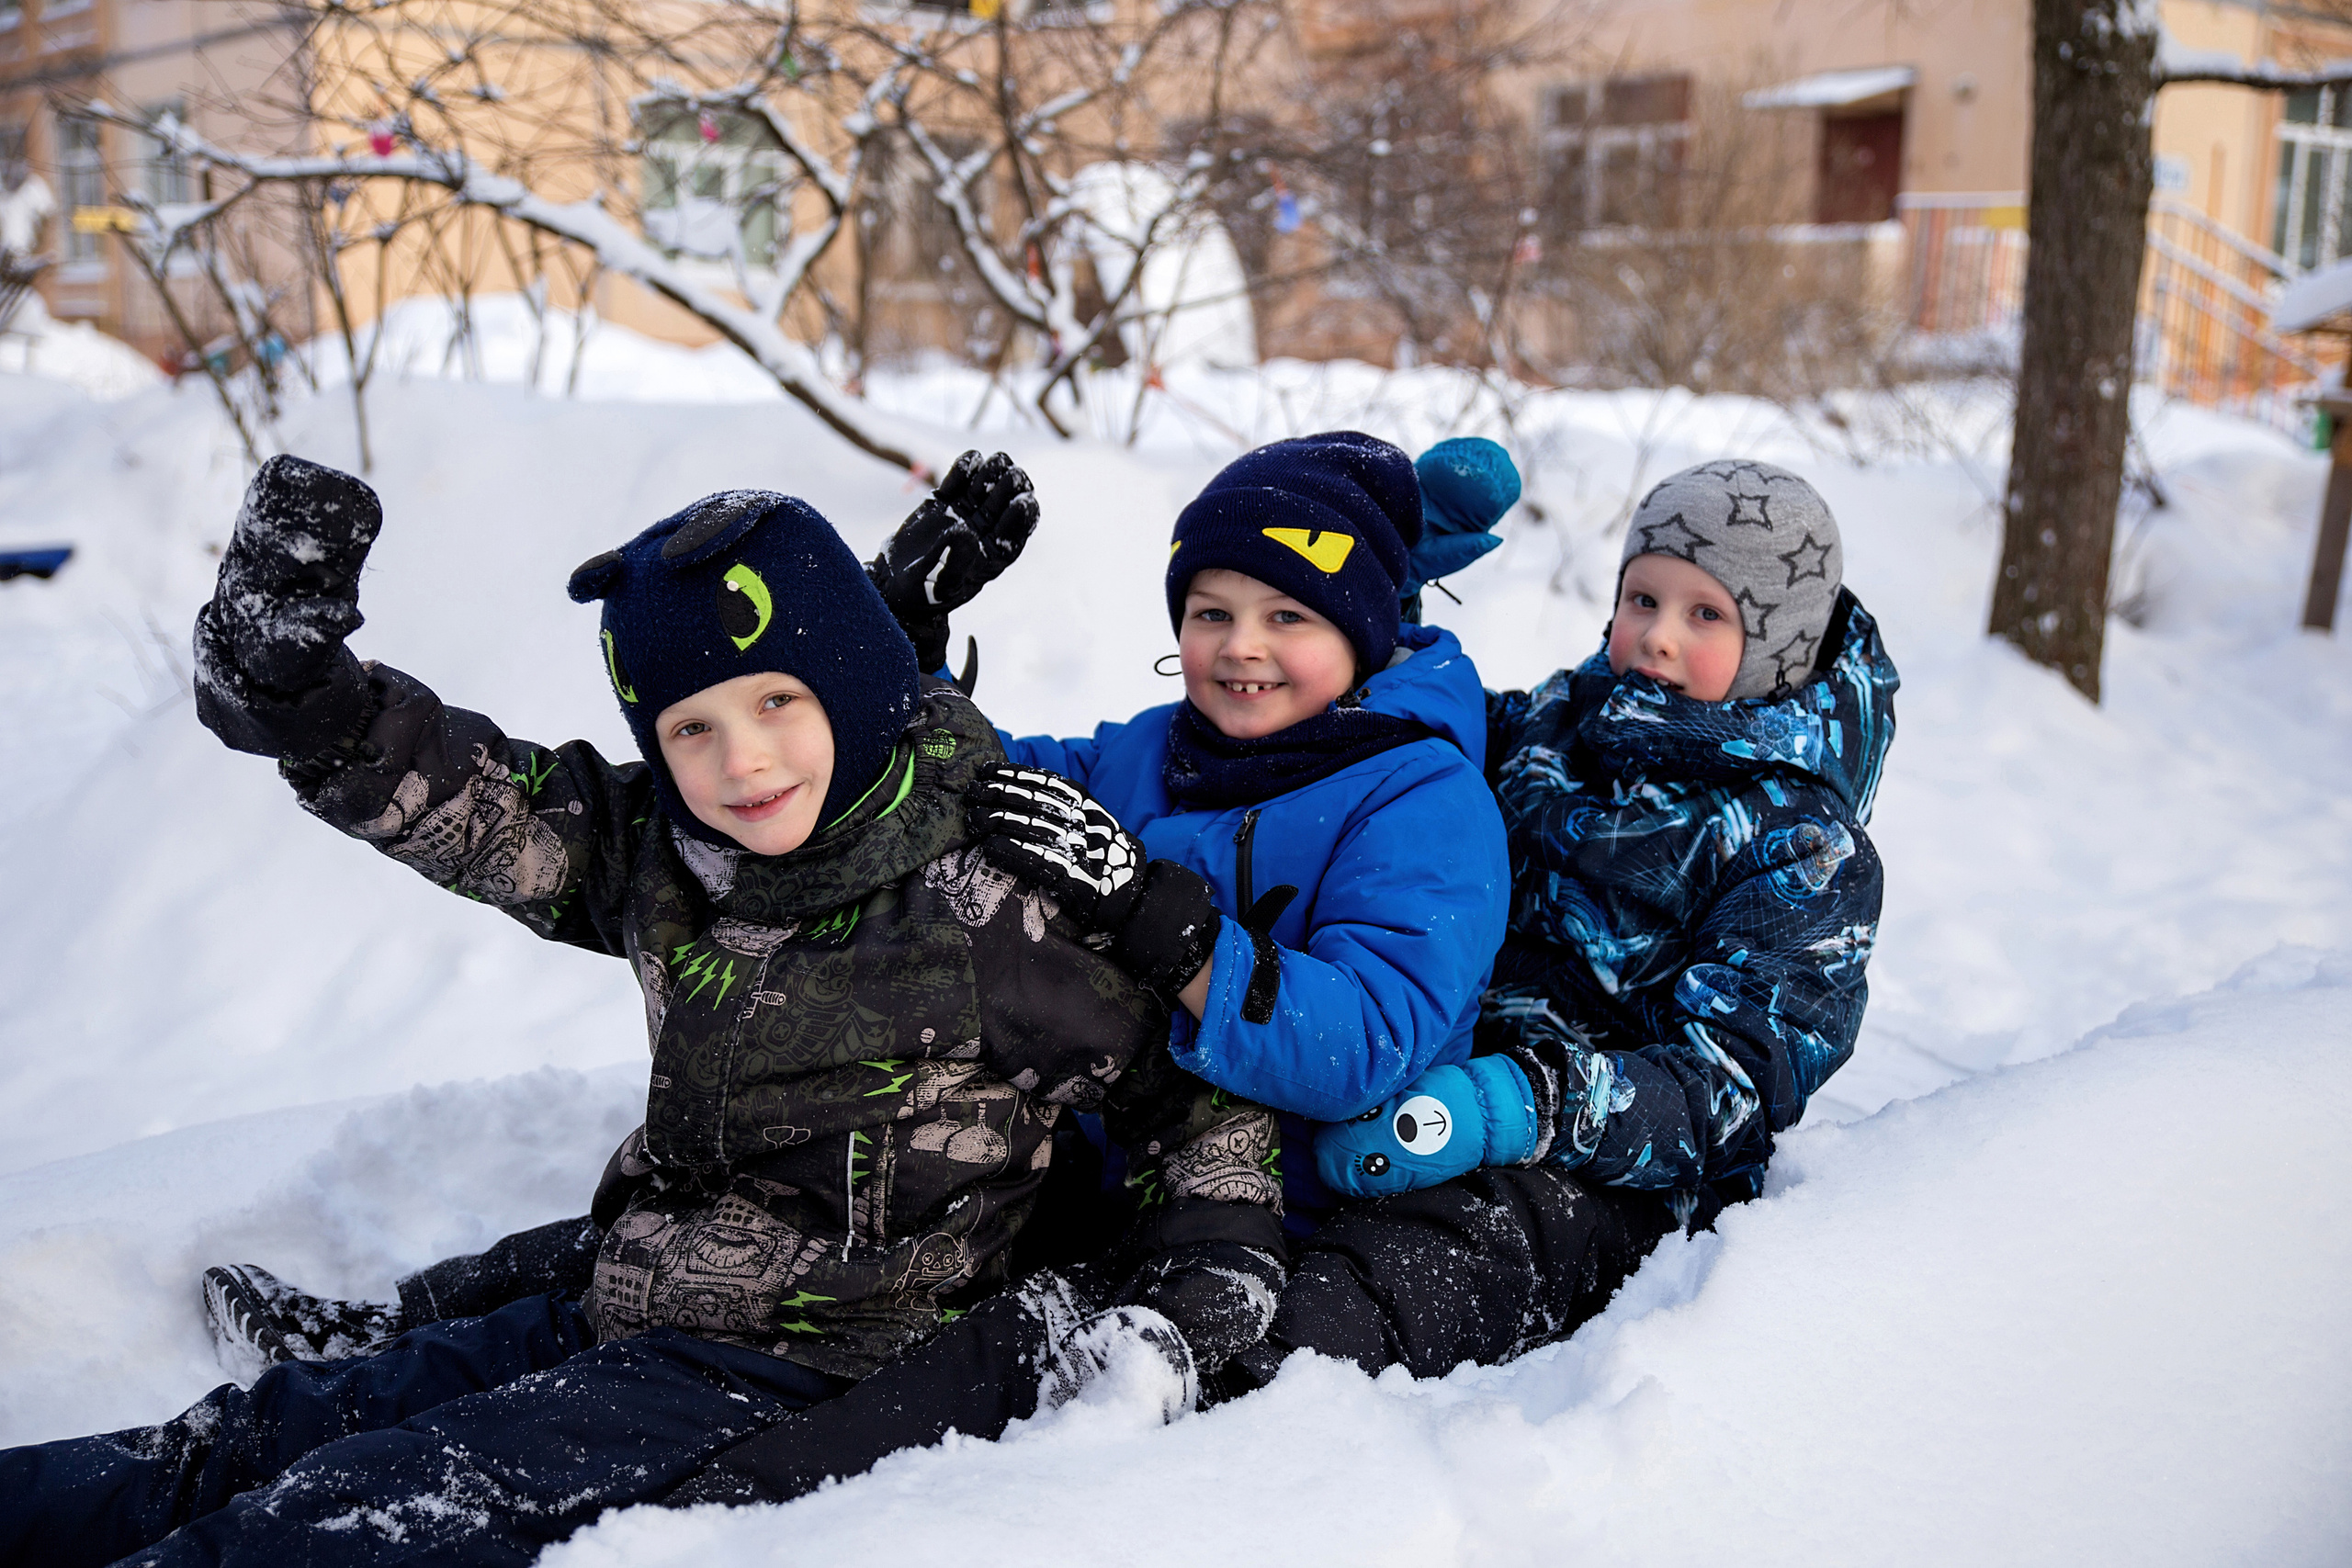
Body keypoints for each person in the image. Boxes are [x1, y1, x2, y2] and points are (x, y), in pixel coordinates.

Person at [0, 457, 1284, 1568]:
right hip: (629, 1293)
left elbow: (1189, 1104)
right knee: (267, 1431)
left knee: (350, 1513)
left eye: (779, 703)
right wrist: (312, 702)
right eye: (691, 727)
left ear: (854, 688)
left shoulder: (988, 902)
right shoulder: (670, 850)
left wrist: (1205, 1286)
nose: (742, 761)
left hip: (802, 1359)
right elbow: (484, 803)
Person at [1302, 458, 1897, 1375]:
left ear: (1777, 645)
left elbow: (1734, 1084)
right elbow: (1407, 739)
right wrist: (1384, 592)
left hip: (1612, 1176)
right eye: (1641, 599)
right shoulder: (1558, 725)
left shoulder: (1800, 846)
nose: (1657, 635)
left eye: (1705, 614)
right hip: (1431, 1081)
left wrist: (1520, 1107)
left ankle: (1257, 1378)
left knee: (1424, 1264)